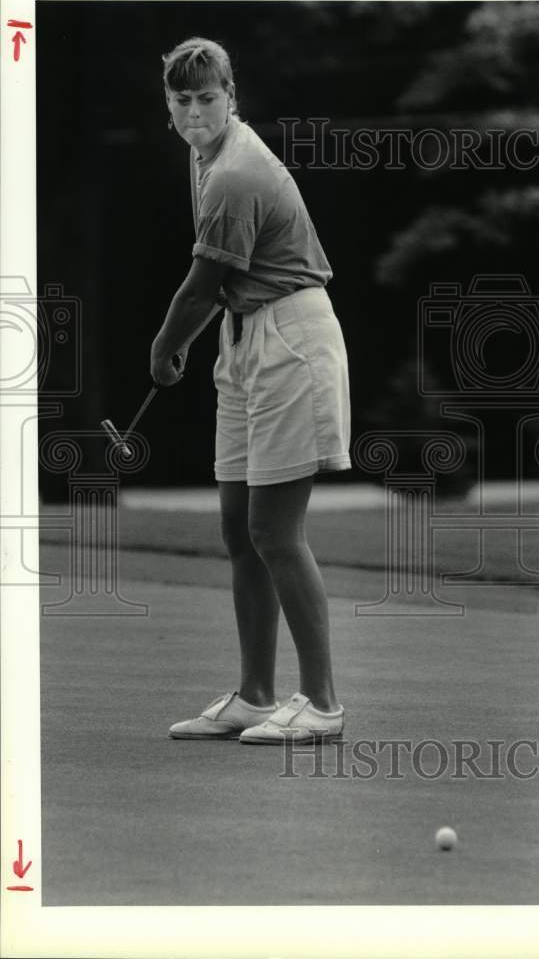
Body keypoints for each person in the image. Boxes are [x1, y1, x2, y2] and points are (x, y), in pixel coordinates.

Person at [150, 37, 351, 744]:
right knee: (238, 528)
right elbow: (217, 288)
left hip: (290, 338)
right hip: (244, 338)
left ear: (231, 98)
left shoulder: (235, 172)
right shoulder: (200, 155)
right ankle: (256, 694)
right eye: (183, 102)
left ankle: (321, 703)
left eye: (208, 99)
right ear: (169, 106)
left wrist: (165, 345)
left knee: (273, 530)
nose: (196, 113)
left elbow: (201, 286)